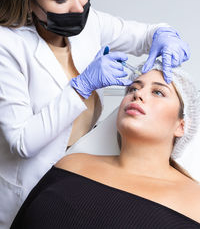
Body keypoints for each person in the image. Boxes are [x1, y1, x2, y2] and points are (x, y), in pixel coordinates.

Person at [0, 0, 190, 227]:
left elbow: (144, 34)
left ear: (182, 124)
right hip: (31, 189)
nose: (79, 7)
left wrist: (163, 34)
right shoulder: (6, 46)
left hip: (79, 179)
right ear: (28, 0)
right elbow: (22, 142)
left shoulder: (91, 23)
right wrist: (81, 87)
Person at [10, 60, 200, 228]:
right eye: (133, 88)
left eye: (158, 92)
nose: (138, 94)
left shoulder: (195, 202)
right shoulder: (72, 164)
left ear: (181, 126)